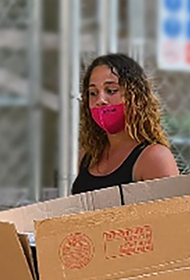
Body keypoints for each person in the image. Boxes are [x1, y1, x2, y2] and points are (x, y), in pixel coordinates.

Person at [73, 53, 179, 194]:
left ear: (135, 97)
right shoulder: (88, 155)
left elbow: (175, 214)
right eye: (93, 93)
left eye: (111, 91)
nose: (100, 100)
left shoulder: (154, 157)